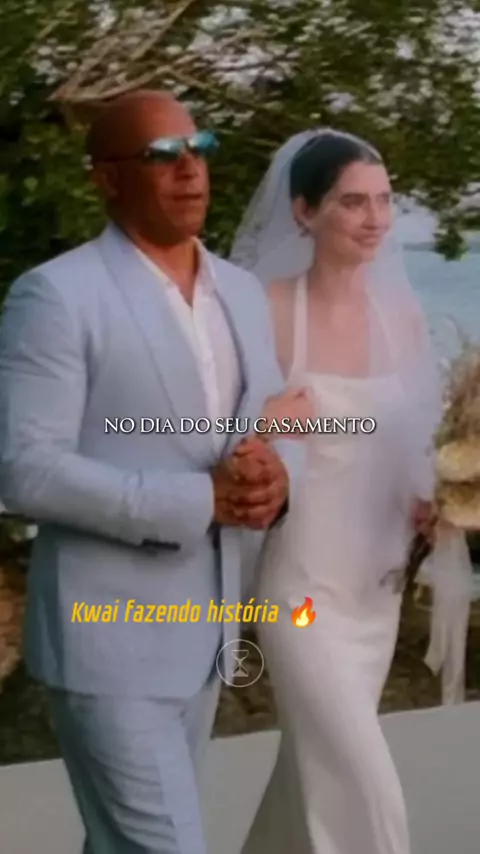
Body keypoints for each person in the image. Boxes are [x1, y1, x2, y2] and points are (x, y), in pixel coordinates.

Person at [0, 90, 305, 854]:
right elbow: (23, 470)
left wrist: (277, 477)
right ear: (107, 178)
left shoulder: (240, 291)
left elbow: (266, 422)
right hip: (104, 640)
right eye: (161, 156)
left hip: (205, 634)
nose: (189, 169)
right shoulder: (55, 295)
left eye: (199, 149)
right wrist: (198, 500)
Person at [229, 129, 442, 854]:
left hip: (376, 583)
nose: (375, 218)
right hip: (301, 588)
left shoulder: (403, 317)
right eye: (353, 202)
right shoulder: (266, 307)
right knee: (362, 783)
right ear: (303, 211)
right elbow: (216, 431)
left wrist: (435, 498)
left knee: (313, 776)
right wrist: (260, 427)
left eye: (383, 200)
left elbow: (416, 446)